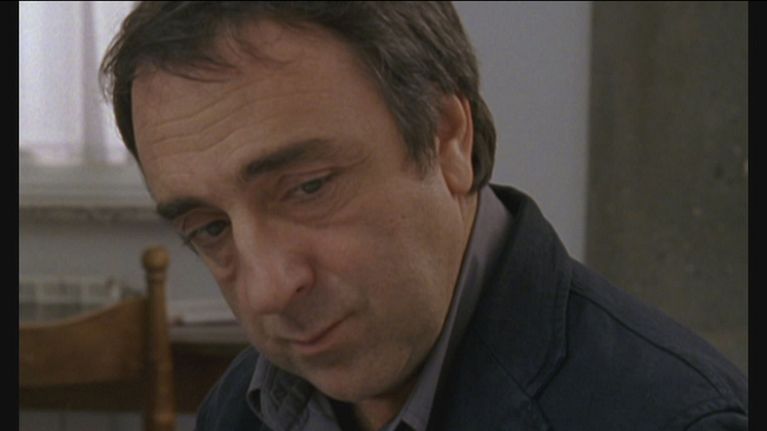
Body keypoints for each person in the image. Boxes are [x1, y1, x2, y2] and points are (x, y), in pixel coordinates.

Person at [100, 2, 747, 430]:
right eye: (211, 229)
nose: (266, 290)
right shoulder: (242, 407)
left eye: (308, 188)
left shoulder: (678, 418)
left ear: (448, 140)